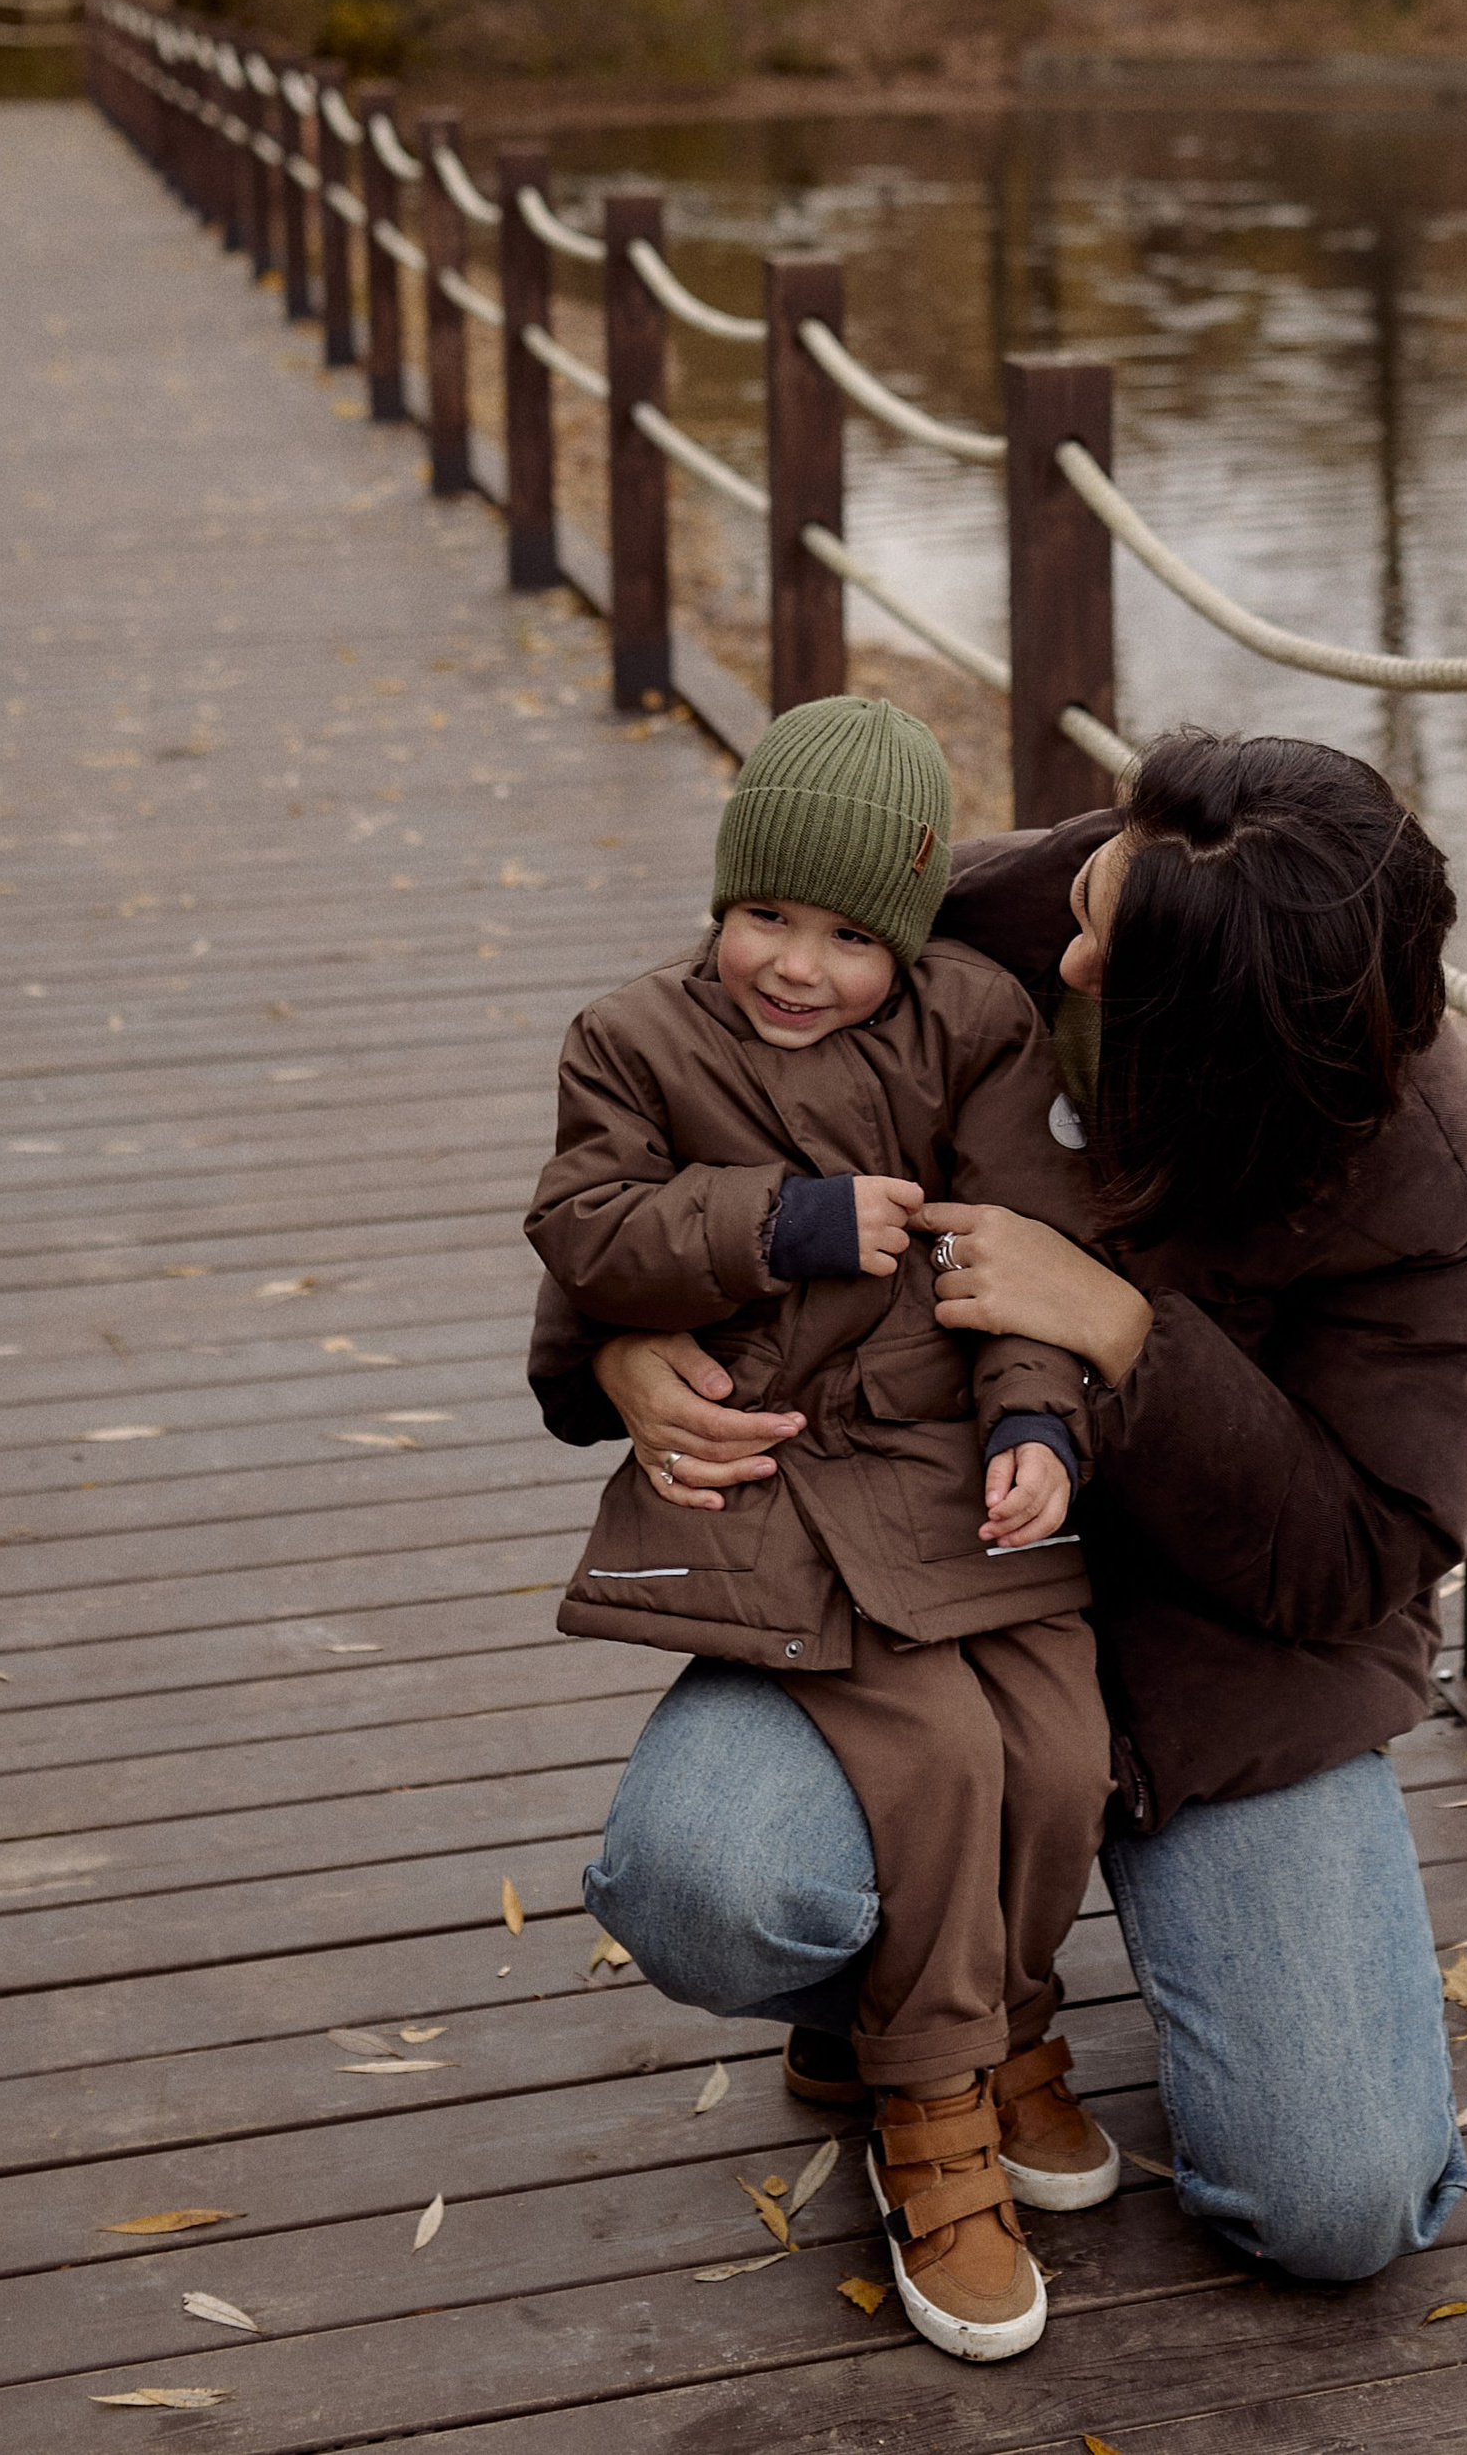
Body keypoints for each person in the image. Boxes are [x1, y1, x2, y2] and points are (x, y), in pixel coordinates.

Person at [529, 728, 1467, 2291]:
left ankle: (991, 1968)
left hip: (1219, 1665)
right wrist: (620, 1347)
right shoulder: (1032, 902)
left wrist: (1124, 1337)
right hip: (902, 1575)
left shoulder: (1416, 1175)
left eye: (1106, 951)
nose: (1065, 941)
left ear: (1213, 1027)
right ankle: (923, 2034)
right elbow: (708, 1048)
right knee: (708, 1888)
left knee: (1338, 2204)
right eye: (1091, 884)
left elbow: (1362, 1557)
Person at [525, 692, 1118, 2365]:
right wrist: (772, 1224)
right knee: (936, 1754)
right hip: (773, 1482)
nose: (797, 964)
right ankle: (931, 2110)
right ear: (718, 898)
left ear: (913, 934)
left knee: (1061, 1750)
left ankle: (1010, 2032)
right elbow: (581, 1228)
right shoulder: (633, 1038)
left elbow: (1023, 1236)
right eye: (763, 914)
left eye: (852, 934)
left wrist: (1032, 1417)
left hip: (947, 1476)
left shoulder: (977, 1025)